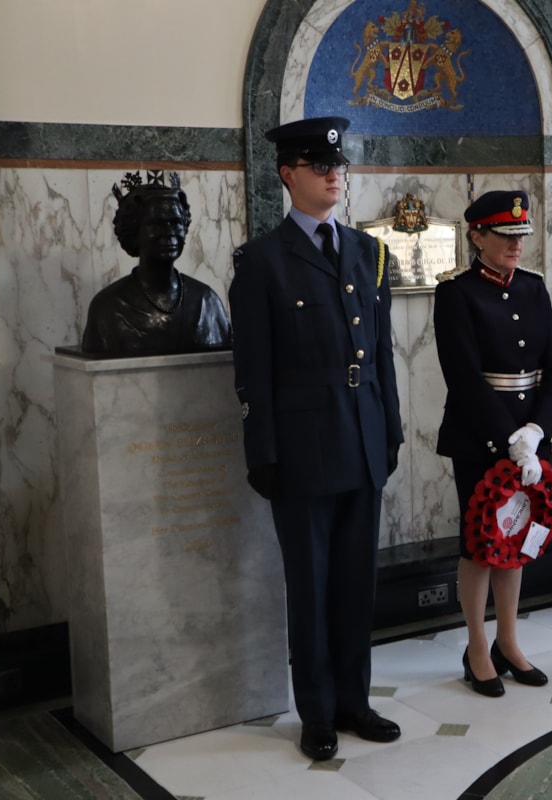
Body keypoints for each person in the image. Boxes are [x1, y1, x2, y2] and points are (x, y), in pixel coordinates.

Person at [228, 116, 403, 761]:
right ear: (288, 174)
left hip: (363, 438)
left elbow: (382, 354)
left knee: (356, 585)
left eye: (339, 166)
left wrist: (391, 430)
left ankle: (355, 702)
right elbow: (253, 370)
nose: (334, 175)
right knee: (311, 587)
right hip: (303, 450)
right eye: (320, 166)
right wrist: (263, 452)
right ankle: (318, 713)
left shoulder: (366, 251)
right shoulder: (263, 261)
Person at [434, 190, 552, 697]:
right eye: (506, 236)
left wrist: (536, 431)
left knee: (515, 542)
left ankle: (508, 642)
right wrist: (510, 438)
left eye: (521, 236)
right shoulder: (457, 293)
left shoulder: (533, 287)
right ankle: (477, 648)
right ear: (477, 237)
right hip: (480, 436)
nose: (516, 245)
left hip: (530, 435)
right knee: (480, 545)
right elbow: (464, 377)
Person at [81, 172, 231, 355]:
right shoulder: (108, 308)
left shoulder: (207, 301)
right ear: (134, 232)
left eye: (176, 222)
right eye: (156, 223)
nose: (169, 232)